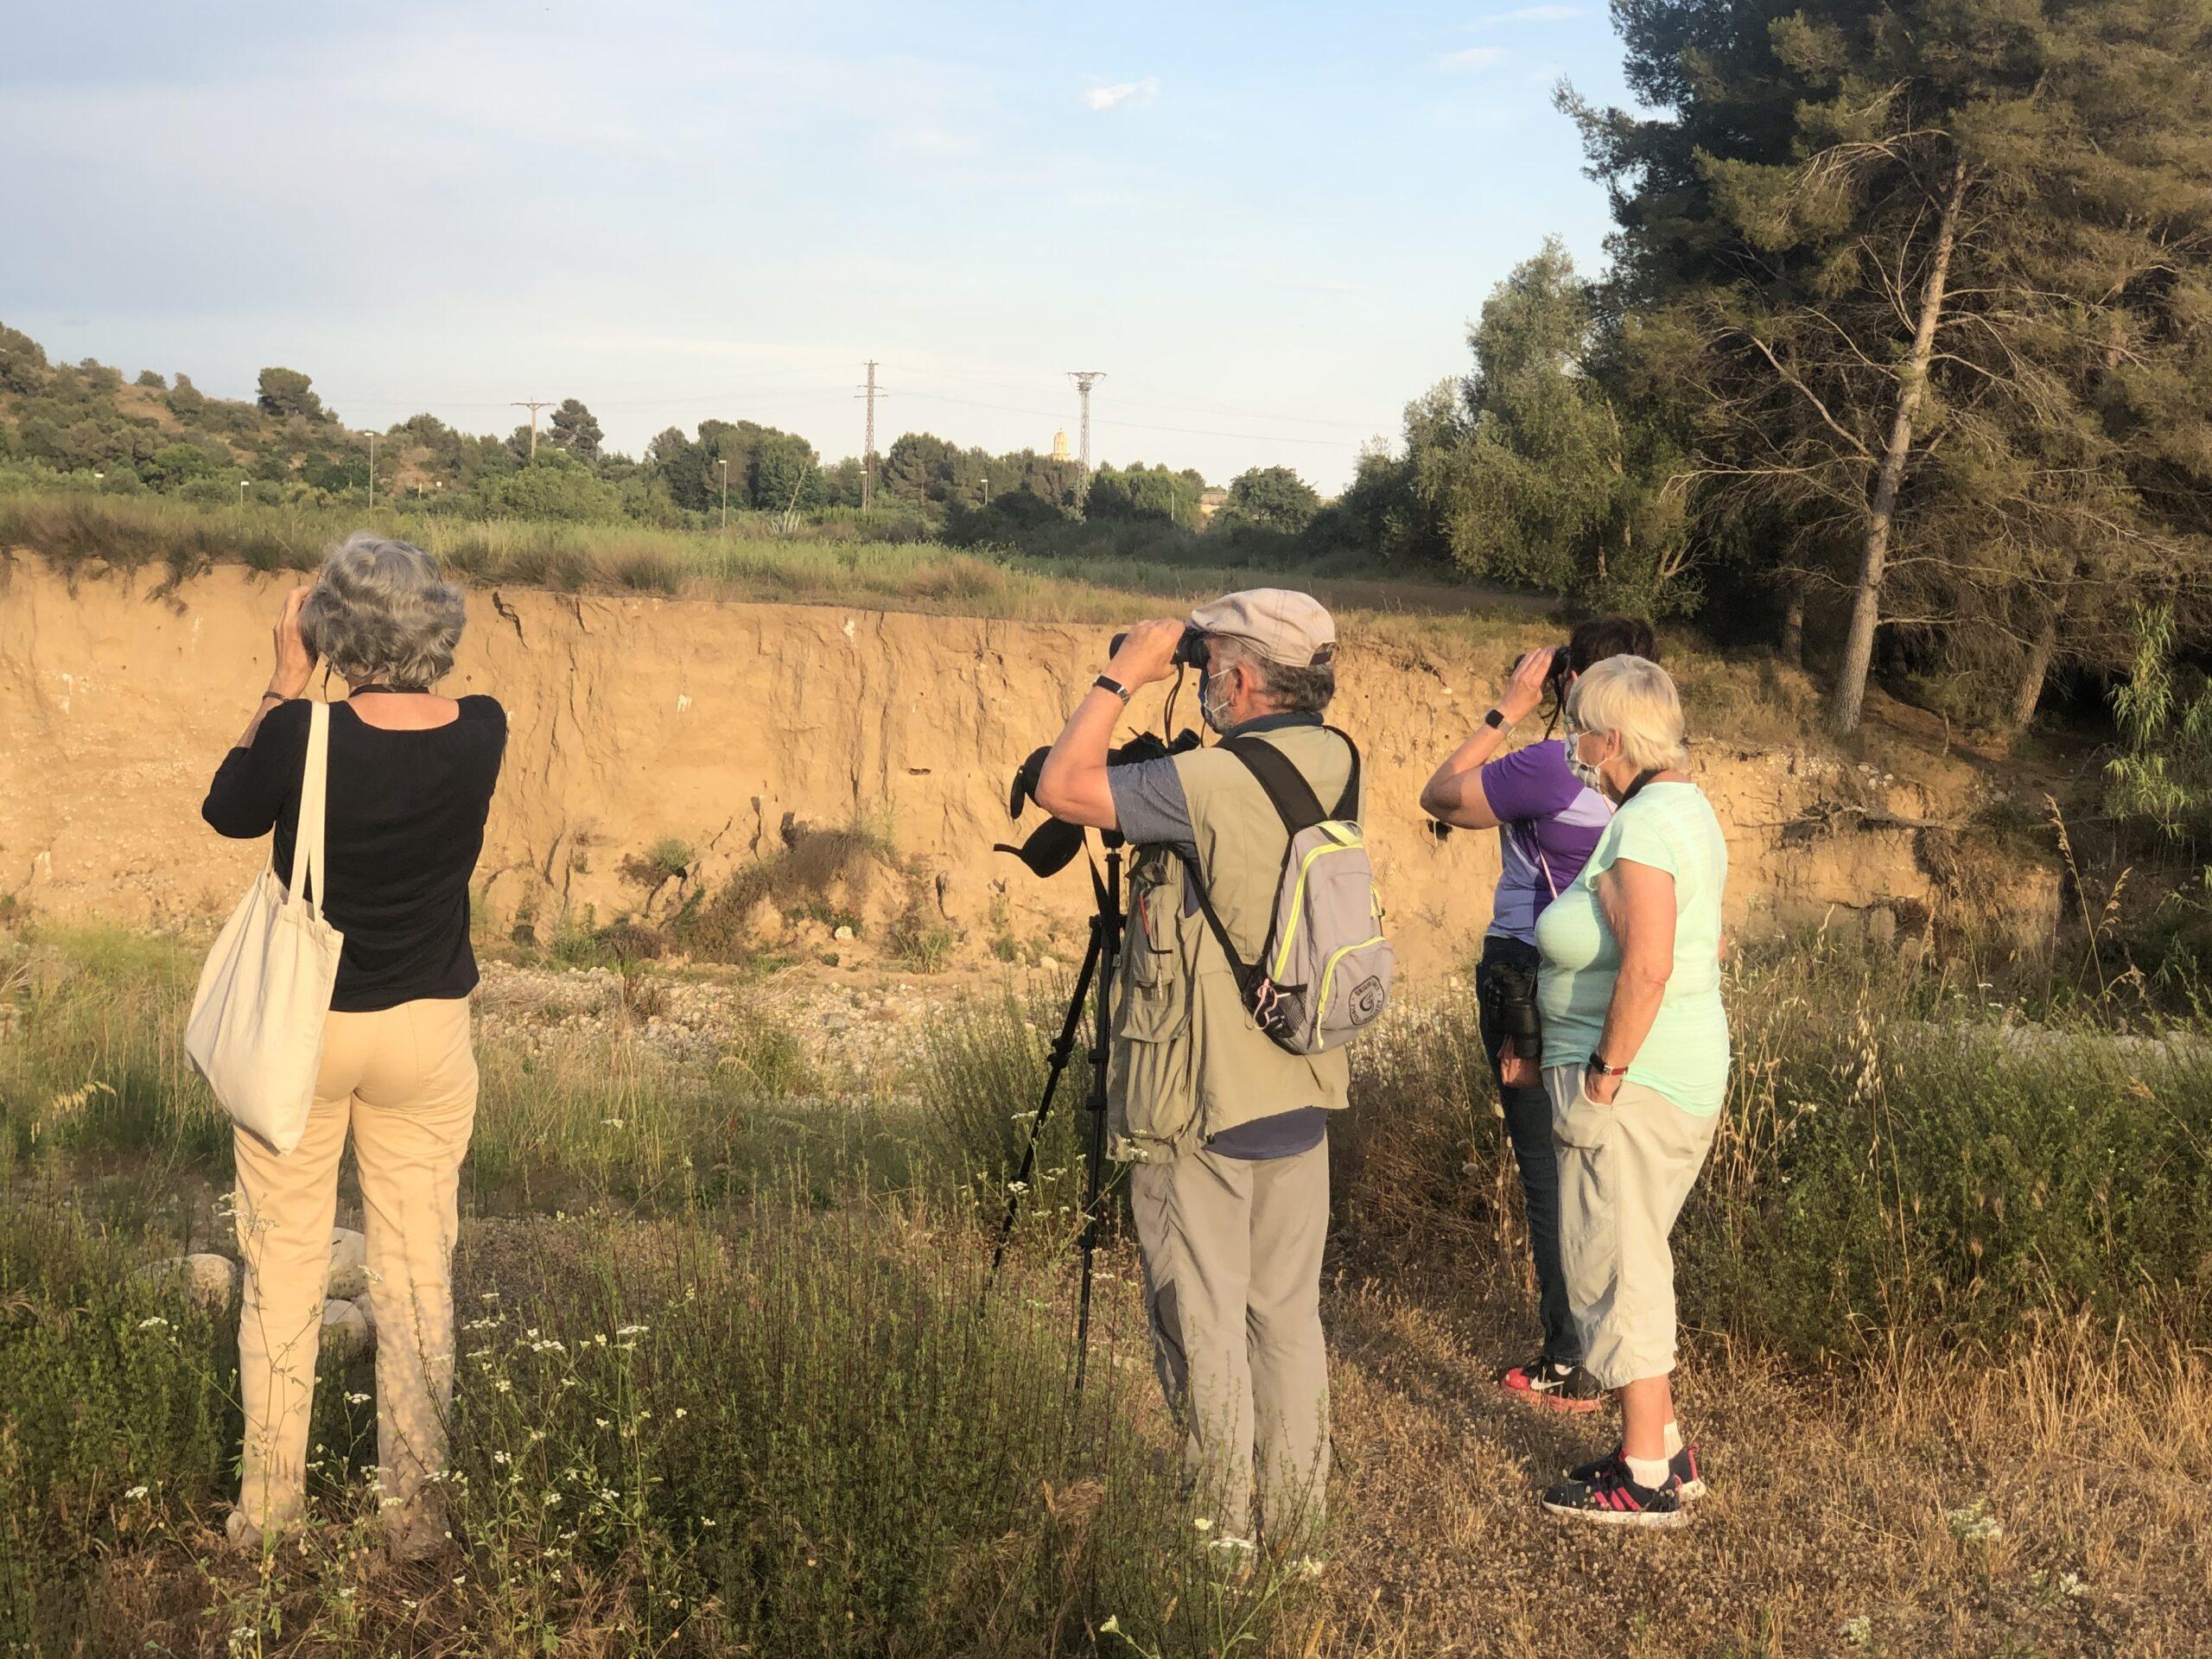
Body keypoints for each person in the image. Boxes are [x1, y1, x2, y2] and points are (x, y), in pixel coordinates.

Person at [200, 533, 506, 1560]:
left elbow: (227, 811)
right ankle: (413, 1519)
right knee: (416, 1274)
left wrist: (285, 678)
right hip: (426, 1030)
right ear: (439, 625)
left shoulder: (304, 734)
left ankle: (269, 1514)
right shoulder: (483, 730)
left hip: (307, 1026)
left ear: (334, 630)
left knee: (284, 1263)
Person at [1033, 588, 1351, 1547]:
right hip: (1299, 1084)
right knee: (1285, 1319)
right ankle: (1296, 1530)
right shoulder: (1337, 758)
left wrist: (1122, 673)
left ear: (1242, 680)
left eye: (1212, 667)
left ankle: (1221, 1538)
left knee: (1202, 1323)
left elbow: (1061, 786)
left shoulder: (1204, 782)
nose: (1203, 681)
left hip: (1201, 1101)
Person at [1418, 617, 1656, 1414]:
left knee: (1548, 1171)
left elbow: (1440, 795)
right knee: (1607, 1170)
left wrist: (1509, 708)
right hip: (1616, 985)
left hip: (1526, 973)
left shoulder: (1553, 766)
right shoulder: (1659, 780)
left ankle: (1568, 1355)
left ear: (1572, 683)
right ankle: (1620, 1350)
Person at [1528, 655, 1727, 1529]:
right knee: (1633, 1253)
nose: (1574, 746)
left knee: (1615, 1267)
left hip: (1634, 1081)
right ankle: (1666, 1449)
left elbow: (1648, 966)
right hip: (1672, 1072)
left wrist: (1602, 1079)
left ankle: (1645, 1476)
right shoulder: (1684, 808)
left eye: (1579, 729)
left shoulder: (1644, 825)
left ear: (1612, 738)